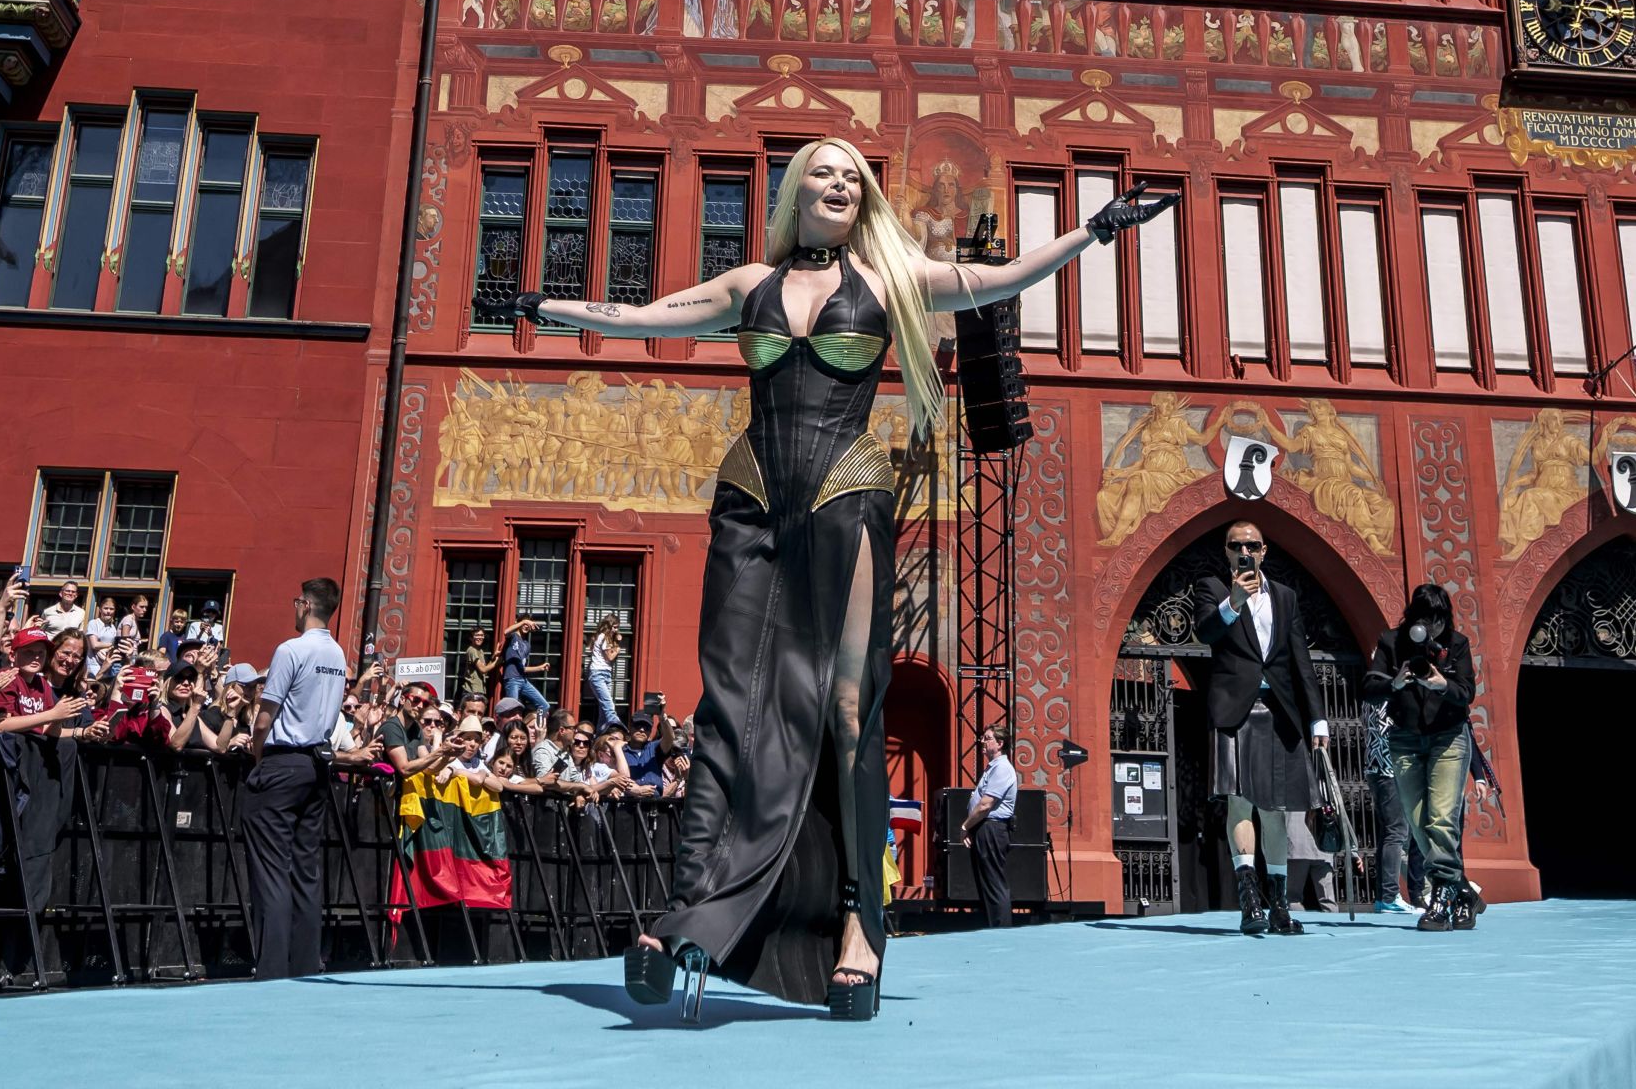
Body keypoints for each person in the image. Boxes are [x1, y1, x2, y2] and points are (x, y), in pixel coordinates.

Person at [491, 136, 1174, 1019]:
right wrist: (551, 307)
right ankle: (693, 909)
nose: (842, 183)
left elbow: (997, 281)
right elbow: (648, 315)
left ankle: (861, 929)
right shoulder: (748, 288)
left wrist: (1097, 229)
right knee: (729, 701)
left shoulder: (890, 281)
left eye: (856, 176)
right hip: (752, 499)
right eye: (826, 171)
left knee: (850, 710)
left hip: (847, 496)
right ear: (797, 191)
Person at [1195, 520, 1329, 937]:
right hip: (1234, 709)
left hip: (1278, 710)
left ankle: (1279, 904)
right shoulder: (1212, 588)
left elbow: (1299, 662)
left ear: (1264, 549)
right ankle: (1249, 897)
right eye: (1236, 546)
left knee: (1275, 811)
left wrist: (1317, 719)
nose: (1244, 551)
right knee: (1239, 803)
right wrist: (1233, 603)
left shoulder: (1285, 597)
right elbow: (1205, 632)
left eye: (1252, 544)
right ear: (1227, 551)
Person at [241, 576, 349, 980]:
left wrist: (258, 757)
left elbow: (265, 714)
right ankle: (305, 964)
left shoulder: (291, 650)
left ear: (304, 604)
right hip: (317, 765)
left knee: (270, 868)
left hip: (283, 760)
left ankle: (270, 968)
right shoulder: (337, 655)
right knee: (305, 868)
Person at [1362, 583, 1478, 931]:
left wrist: (1443, 684)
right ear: (1413, 619)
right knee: (1417, 822)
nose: (1432, 627)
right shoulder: (1392, 642)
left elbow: (1467, 692)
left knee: (1442, 817)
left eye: (1439, 619)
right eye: (1425, 619)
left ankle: (1441, 897)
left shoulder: (1457, 646)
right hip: (1405, 740)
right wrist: (1394, 684)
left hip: (1448, 740)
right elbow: (1367, 686)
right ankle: (1463, 892)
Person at [1363, 688, 1425, 913]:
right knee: (1397, 832)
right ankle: (1390, 896)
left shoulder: (1372, 695)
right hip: (1389, 769)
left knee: (1389, 832)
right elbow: (1394, 730)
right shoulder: (1389, 696)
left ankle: (1383, 896)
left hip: (1375, 766)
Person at [958, 725, 1017, 929]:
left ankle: (1000, 932)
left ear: (1000, 744)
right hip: (984, 828)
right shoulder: (993, 767)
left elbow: (986, 804)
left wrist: (965, 826)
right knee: (986, 884)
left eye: (988, 738)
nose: (983, 742)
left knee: (994, 884)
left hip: (992, 828)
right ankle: (991, 929)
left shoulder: (1002, 768)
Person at [494, 618, 550, 716]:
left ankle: (536, 727)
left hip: (523, 680)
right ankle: (509, 730)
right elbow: (506, 631)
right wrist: (524, 622)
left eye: (528, 625)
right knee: (512, 709)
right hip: (512, 679)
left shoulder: (526, 645)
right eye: (525, 624)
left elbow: (523, 667)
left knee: (544, 705)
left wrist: (540, 668)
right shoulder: (513, 637)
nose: (526, 626)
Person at [585, 616, 623, 729]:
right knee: (609, 706)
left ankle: (599, 735)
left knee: (603, 709)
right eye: (615, 627)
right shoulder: (604, 637)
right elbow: (609, 657)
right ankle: (621, 730)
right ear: (609, 626)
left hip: (605, 673)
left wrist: (615, 640)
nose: (616, 630)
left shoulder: (604, 637)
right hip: (598, 673)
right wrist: (617, 649)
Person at [460, 627, 495, 702]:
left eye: (482, 635)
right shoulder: (472, 650)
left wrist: (494, 658)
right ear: (471, 638)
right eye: (477, 635)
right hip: (472, 690)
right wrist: (497, 662)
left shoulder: (480, 651)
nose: (480, 637)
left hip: (479, 689)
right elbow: (483, 670)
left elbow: (485, 669)